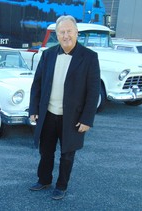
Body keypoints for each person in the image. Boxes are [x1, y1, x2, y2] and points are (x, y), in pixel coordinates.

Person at [28, 15, 101, 200]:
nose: (66, 35)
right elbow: (37, 84)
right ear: (57, 34)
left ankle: (61, 186)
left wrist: (87, 119)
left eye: (69, 31)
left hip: (73, 118)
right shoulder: (48, 54)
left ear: (76, 32)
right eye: (62, 32)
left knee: (67, 154)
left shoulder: (90, 57)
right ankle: (44, 179)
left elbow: (93, 92)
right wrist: (34, 109)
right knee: (46, 152)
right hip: (48, 114)